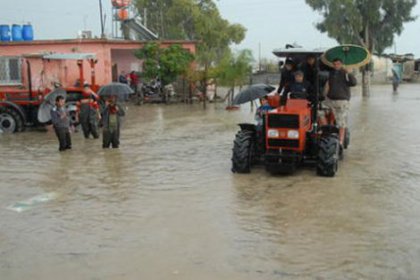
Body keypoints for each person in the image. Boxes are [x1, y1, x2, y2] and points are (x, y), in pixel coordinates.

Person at [319, 58, 357, 157]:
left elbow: (353, 83)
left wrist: (349, 73)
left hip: (342, 100)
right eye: (335, 64)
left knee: (341, 122)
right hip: (330, 100)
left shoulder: (345, 73)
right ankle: (327, 129)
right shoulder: (331, 74)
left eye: (338, 64)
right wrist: (323, 96)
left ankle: (340, 142)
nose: (336, 65)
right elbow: (327, 86)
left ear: (341, 64)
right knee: (318, 110)